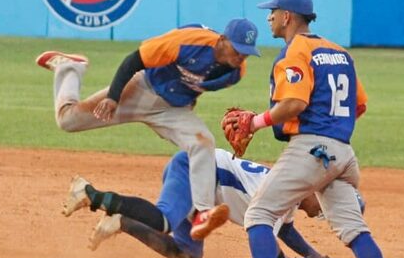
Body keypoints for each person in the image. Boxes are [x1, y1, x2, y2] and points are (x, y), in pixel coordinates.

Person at [224, 0, 402, 258]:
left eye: (273, 12)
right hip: (343, 152)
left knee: (258, 213)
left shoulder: (295, 52)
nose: (269, 17)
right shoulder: (339, 52)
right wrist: (333, 131)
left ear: (288, 16)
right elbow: (359, 104)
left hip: (313, 148)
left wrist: (256, 122)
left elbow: (294, 103)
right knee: (354, 229)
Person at [36, 19, 260, 241]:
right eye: (237, 49)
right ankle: (70, 69)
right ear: (222, 40)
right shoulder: (186, 42)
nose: (241, 56)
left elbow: (195, 85)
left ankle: (203, 212)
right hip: (140, 90)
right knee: (68, 121)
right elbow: (133, 60)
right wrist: (114, 97)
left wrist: (180, 116)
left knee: (203, 142)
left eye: (247, 52)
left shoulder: (235, 73)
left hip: (172, 110)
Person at [63, 148, 353, 258]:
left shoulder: (290, 197)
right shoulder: (278, 190)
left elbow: (287, 232)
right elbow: (269, 242)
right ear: (312, 188)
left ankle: (121, 222)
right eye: (324, 201)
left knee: (188, 256)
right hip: (194, 168)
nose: (322, 209)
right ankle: (90, 193)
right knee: (164, 219)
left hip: (206, 193)